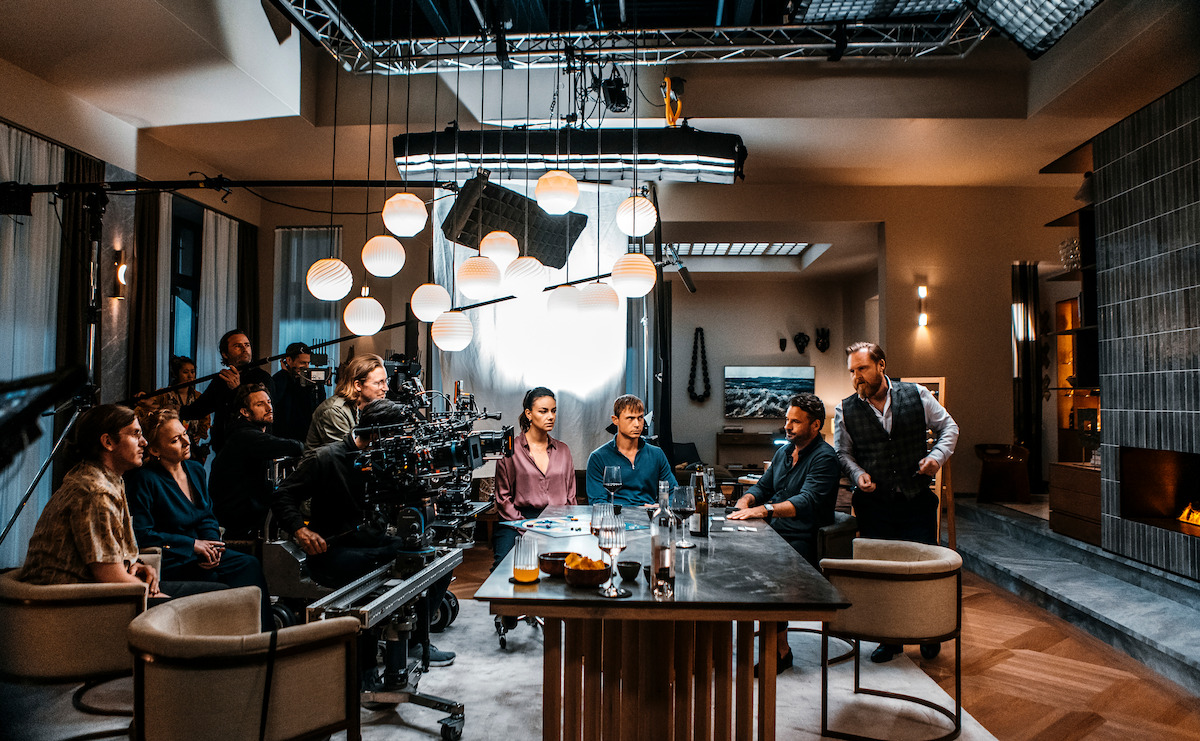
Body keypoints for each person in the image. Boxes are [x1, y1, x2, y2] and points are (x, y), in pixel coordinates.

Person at [274, 399, 455, 675]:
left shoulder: (388, 458)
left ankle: (418, 640)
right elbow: (283, 495)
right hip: (334, 551)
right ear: (378, 433)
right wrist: (301, 529)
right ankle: (365, 668)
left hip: (374, 543)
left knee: (436, 561)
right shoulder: (327, 458)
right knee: (373, 575)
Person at [17, 404, 224, 606]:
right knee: (215, 604)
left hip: (103, 592)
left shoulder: (106, 478)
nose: (144, 442)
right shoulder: (95, 492)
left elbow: (112, 560)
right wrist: (159, 598)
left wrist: (137, 566)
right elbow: (109, 577)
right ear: (108, 442)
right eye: (135, 434)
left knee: (219, 594)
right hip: (80, 605)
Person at [834, 341, 959, 663]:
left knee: (923, 569)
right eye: (852, 371)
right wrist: (858, 473)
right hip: (874, 504)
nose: (856, 377)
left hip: (916, 498)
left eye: (862, 369)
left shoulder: (916, 394)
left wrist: (936, 458)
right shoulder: (845, 409)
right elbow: (843, 453)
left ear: (881, 366)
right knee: (881, 572)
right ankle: (889, 640)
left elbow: (949, 428)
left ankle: (929, 631)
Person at [125, 409, 273, 629]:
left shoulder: (195, 469)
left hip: (204, 551)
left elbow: (207, 517)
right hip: (173, 557)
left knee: (249, 564)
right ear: (155, 449)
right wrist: (192, 545)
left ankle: (264, 638)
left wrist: (214, 547)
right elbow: (143, 534)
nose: (186, 442)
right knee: (217, 580)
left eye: (184, 434)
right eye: (175, 440)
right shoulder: (143, 479)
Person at [729, 393, 840, 673]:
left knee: (768, 576)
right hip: (774, 532)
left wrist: (763, 511)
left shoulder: (825, 458)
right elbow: (763, 486)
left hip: (803, 538)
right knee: (721, 553)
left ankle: (780, 651)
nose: (787, 426)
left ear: (815, 426)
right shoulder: (783, 451)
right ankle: (716, 640)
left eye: (795, 422)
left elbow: (807, 501)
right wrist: (746, 501)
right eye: (787, 420)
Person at [492, 387, 576, 570]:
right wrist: (526, 527)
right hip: (517, 522)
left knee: (570, 567)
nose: (551, 416)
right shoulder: (509, 450)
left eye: (553, 411)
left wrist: (570, 526)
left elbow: (571, 497)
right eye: (543, 411)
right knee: (502, 569)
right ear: (529, 414)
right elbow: (503, 499)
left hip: (558, 521)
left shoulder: (563, 450)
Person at [208, 383, 304, 539]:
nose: (269, 408)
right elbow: (293, 446)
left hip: (248, 520)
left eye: (269, 402)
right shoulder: (244, 436)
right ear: (245, 412)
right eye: (260, 404)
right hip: (238, 527)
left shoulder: (252, 434)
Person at [180, 329, 273, 452]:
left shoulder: (262, 377)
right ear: (225, 353)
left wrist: (237, 389)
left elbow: (264, 412)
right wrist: (167, 407)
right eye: (237, 346)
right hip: (224, 448)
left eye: (247, 345)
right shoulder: (221, 380)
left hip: (252, 447)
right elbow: (199, 409)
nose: (244, 349)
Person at [585, 394, 675, 507]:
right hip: (615, 518)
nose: (637, 424)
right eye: (630, 418)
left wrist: (662, 507)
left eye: (640, 418)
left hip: (648, 517)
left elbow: (673, 493)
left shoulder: (657, 454)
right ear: (615, 420)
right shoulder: (598, 457)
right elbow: (597, 502)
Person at [304, 353, 388, 451]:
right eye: (379, 383)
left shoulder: (366, 408)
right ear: (358, 385)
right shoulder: (334, 412)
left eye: (386, 381)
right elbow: (346, 454)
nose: (386, 388)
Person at [137, 355, 212, 463]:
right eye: (185, 372)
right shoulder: (164, 394)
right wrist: (146, 402)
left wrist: (200, 434)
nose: (190, 376)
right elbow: (147, 409)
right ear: (177, 374)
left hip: (190, 446)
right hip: (168, 445)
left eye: (192, 371)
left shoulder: (197, 396)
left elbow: (205, 415)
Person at [271, 342, 327, 442]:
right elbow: (276, 401)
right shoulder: (278, 379)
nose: (306, 367)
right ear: (288, 360)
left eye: (308, 363)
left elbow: (321, 405)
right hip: (284, 436)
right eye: (302, 363)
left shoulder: (312, 382)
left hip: (308, 436)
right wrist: (285, 374)